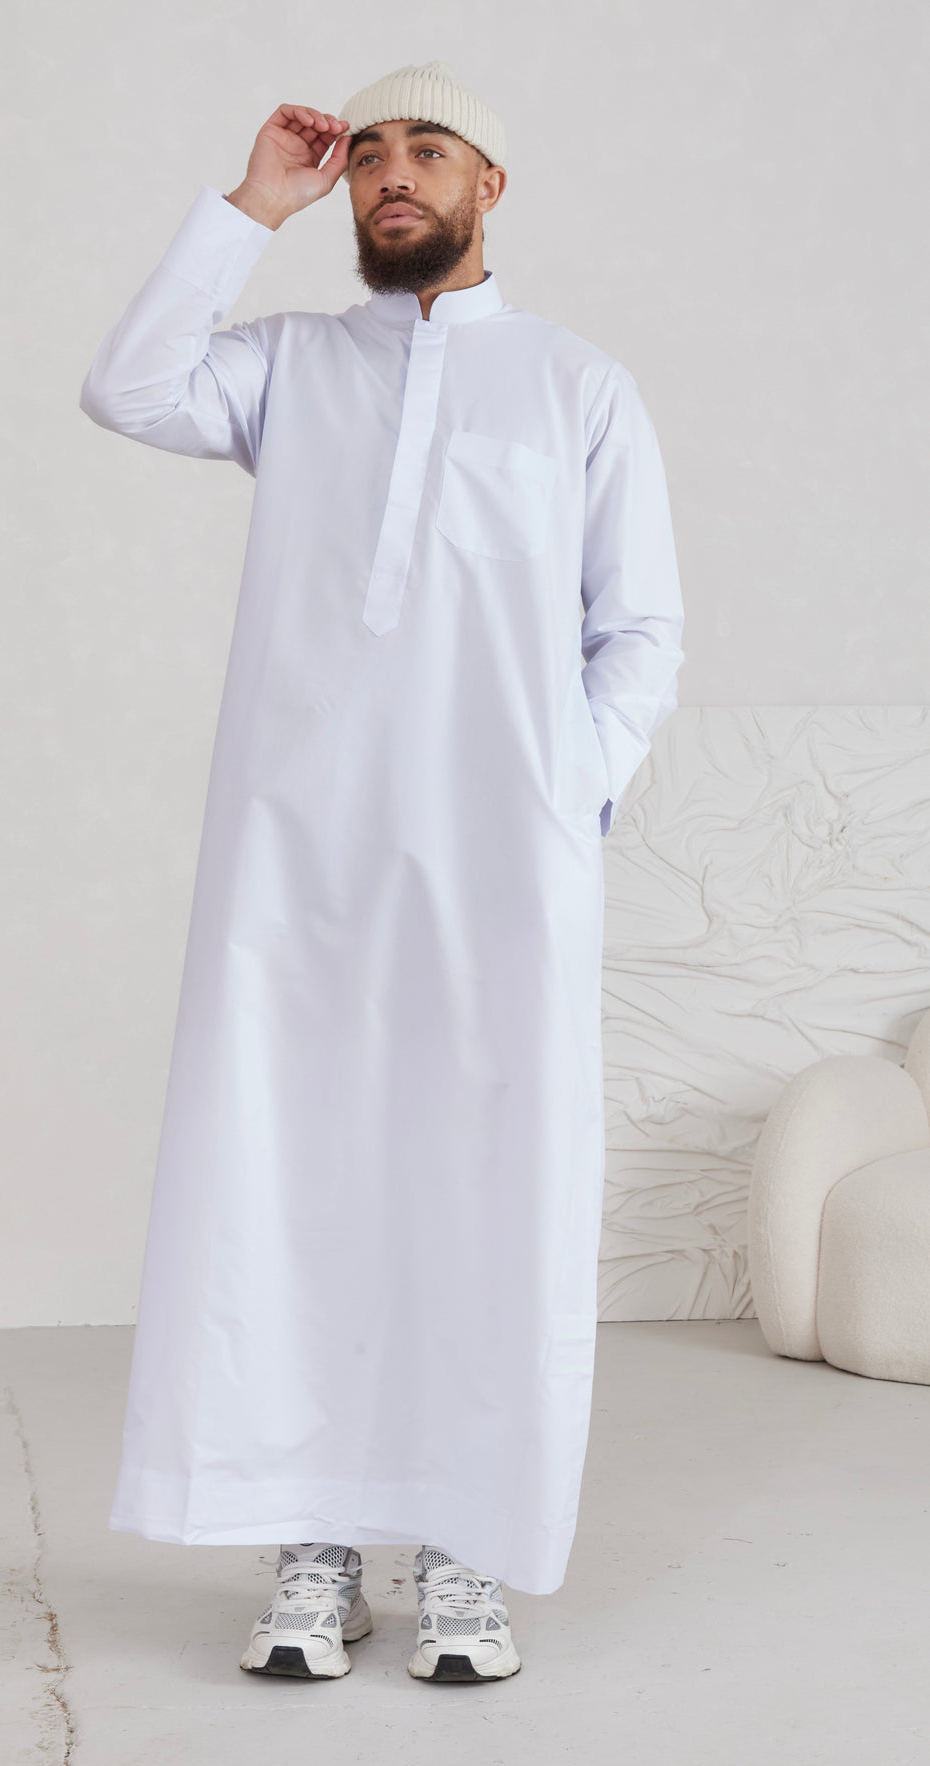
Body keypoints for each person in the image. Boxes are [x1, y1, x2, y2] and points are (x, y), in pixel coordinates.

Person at [80, 57, 684, 1684]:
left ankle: (466, 1547)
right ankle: (315, 1538)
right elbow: (128, 389)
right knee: (293, 1177)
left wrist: (563, 791)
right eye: (366, 157)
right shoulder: (287, 366)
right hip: (298, 861)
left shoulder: (574, 387)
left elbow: (639, 629)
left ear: (493, 184)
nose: (390, 176)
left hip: (500, 866)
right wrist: (249, 208)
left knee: (488, 1179)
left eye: (429, 149)